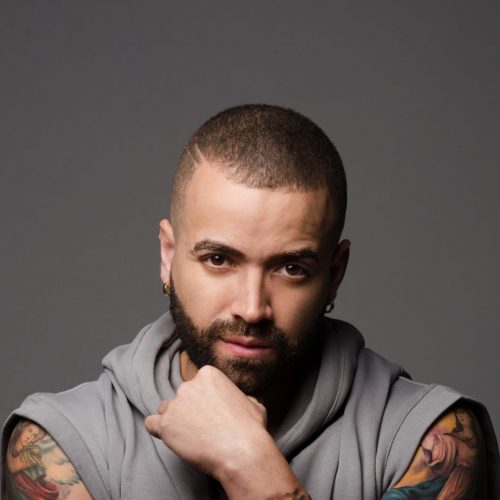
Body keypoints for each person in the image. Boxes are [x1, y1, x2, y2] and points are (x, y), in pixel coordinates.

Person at [2, 104, 499, 499]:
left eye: (291, 268)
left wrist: (250, 465)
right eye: (219, 259)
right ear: (168, 257)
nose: (252, 308)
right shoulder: (60, 444)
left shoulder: (433, 440)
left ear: (334, 275)